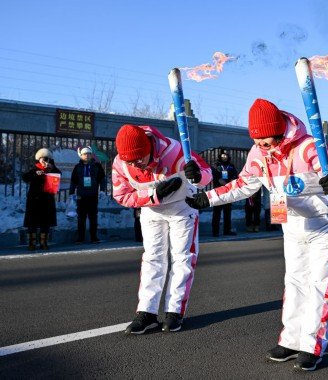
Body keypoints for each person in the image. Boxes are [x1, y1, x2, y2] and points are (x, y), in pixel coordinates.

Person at [185, 98, 328, 371]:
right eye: (258, 140)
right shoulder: (257, 154)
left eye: (267, 140)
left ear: (279, 130)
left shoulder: (310, 147)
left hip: (325, 225)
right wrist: (208, 199)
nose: (263, 146)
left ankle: (312, 345)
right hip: (292, 226)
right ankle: (290, 340)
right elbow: (243, 185)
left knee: (320, 285)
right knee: (295, 283)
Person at [111, 124, 212, 335]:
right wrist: (153, 196)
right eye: (130, 161)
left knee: (182, 258)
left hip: (182, 209)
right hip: (151, 210)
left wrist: (197, 176)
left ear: (149, 146)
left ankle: (175, 311)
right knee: (153, 258)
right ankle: (146, 311)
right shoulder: (120, 164)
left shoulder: (174, 151)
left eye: (140, 158)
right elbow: (122, 196)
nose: (136, 164)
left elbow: (207, 174)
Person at [22, 148, 61, 250]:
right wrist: (35, 174)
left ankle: (44, 242)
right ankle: (32, 243)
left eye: (46, 159)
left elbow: (59, 175)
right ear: (38, 159)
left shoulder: (52, 169)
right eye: (42, 158)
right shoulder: (34, 169)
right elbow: (25, 177)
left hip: (47, 200)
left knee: (46, 222)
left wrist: (51, 168)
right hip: (34, 200)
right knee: (32, 222)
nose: (44, 161)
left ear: (49, 160)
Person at [69, 146, 106, 243]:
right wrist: (71, 193)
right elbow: (73, 181)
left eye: (89, 153)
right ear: (81, 156)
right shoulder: (77, 167)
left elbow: (102, 179)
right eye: (85, 154)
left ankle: (94, 237)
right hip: (81, 196)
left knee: (93, 217)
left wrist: (102, 190)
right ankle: (80, 238)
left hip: (93, 195)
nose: (87, 155)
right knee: (81, 217)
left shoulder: (97, 166)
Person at [211, 149, 239, 237]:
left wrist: (232, 181)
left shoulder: (231, 166)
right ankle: (215, 231)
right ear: (220, 156)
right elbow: (216, 178)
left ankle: (227, 230)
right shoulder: (216, 165)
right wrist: (226, 184)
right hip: (218, 191)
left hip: (228, 192)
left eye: (226, 155)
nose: (224, 157)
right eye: (223, 155)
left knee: (227, 212)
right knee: (217, 212)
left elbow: (235, 175)